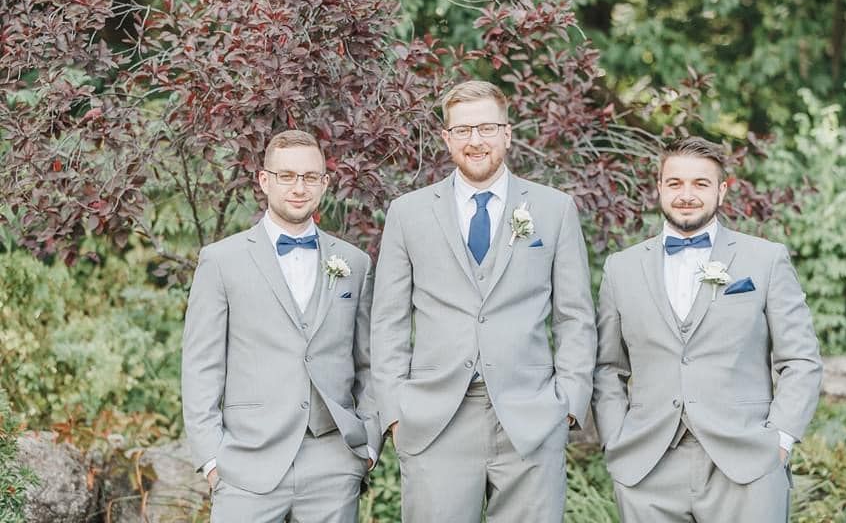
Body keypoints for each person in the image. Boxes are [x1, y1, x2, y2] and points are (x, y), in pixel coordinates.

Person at [371, 80, 596, 522]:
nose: (476, 141)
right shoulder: (408, 212)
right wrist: (396, 411)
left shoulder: (554, 210)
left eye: (487, 128)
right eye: (463, 130)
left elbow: (576, 316)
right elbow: (388, 321)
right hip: (436, 419)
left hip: (531, 415)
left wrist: (569, 404)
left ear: (507, 134)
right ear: (446, 138)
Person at [592, 136, 822, 522]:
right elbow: (607, 368)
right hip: (647, 467)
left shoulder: (765, 260)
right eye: (676, 183)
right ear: (659, 188)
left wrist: (780, 440)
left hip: (747, 465)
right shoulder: (620, 268)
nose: (687, 195)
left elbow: (800, 359)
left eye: (700, 184)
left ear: (721, 191)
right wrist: (616, 440)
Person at [181, 130, 379, 523]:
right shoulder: (221, 261)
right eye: (286, 176)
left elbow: (368, 363)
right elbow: (201, 364)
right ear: (264, 180)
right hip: (246, 462)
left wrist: (368, 445)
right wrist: (211, 458)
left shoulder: (354, 264)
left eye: (309, 177)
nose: (298, 187)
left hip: (333, 462)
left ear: (324, 183)